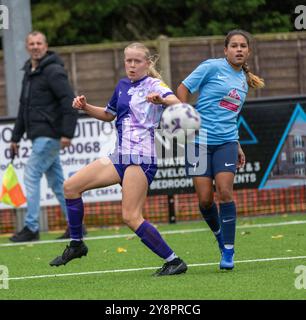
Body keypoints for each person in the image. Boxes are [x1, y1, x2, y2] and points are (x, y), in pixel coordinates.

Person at [49, 42, 188, 277]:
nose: (132, 65)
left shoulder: (154, 85)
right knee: (71, 187)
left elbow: (179, 104)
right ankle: (76, 245)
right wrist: (85, 107)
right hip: (119, 157)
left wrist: (161, 100)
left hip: (141, 158)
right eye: (128, 61)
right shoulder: (123, 85)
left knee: (131, 216)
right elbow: (108, 114)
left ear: (147, 63)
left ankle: (174, 261)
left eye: (137, 61)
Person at [177, 29, 264, 270]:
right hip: (198, 143)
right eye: (234, 46)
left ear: (248, 51)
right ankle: (219, 235)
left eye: (243, 46)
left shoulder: (244, 82)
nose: (238, 49)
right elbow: (182, 89)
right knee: (205, 200)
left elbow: (232, 116)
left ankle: (228, 249)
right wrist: (186, 117)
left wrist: (236, 144)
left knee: (225, 193)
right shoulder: (211, 67)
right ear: (225, 50)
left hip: (226, 143)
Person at [9, 31, 80, 242]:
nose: (35, 46)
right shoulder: (30, 73)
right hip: (40, 135)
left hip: (49, 135)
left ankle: (31, 227)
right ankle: (76, 225)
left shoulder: (53, 71)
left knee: (30, 175)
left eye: (39, 43)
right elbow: (24, 108)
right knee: (58, 183)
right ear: (26, 46)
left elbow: (70, 101)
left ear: (46, 45)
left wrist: (67, 133)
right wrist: (15, 137)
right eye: (31, 43)